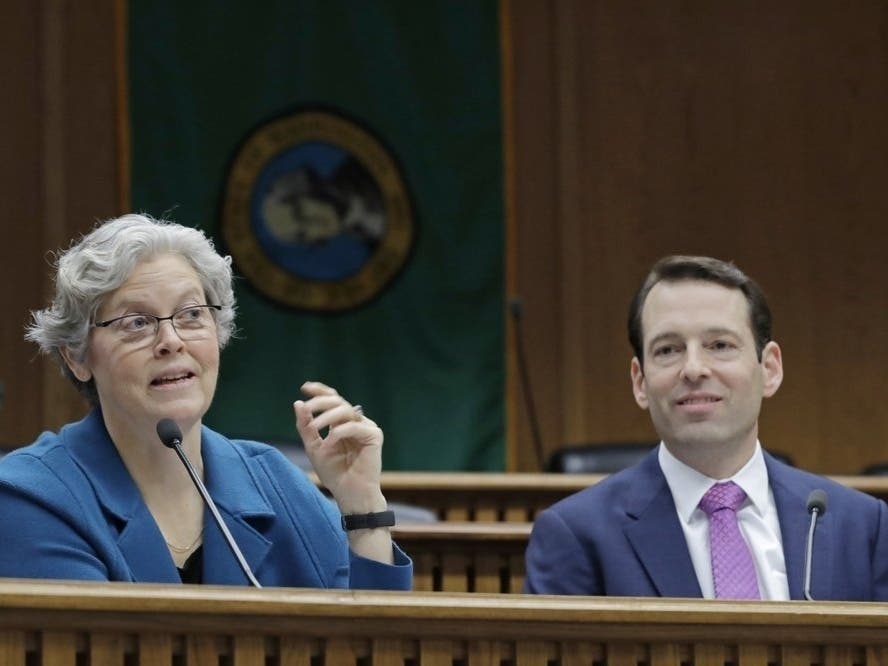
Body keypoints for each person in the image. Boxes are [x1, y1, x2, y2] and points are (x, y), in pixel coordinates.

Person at [0, 213, 411, 588]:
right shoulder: (30, 496)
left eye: (192, 314)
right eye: (136, 322)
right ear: (77, 357)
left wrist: (363, 509)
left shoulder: (276, 482)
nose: (171, 341)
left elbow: (370, 637)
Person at [525, 255, 888, 600]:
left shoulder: (862, 527)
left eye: (720, 345)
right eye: (668, 350)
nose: (694, 369)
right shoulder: (577, 535)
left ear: (769, 369)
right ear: (640, 382)